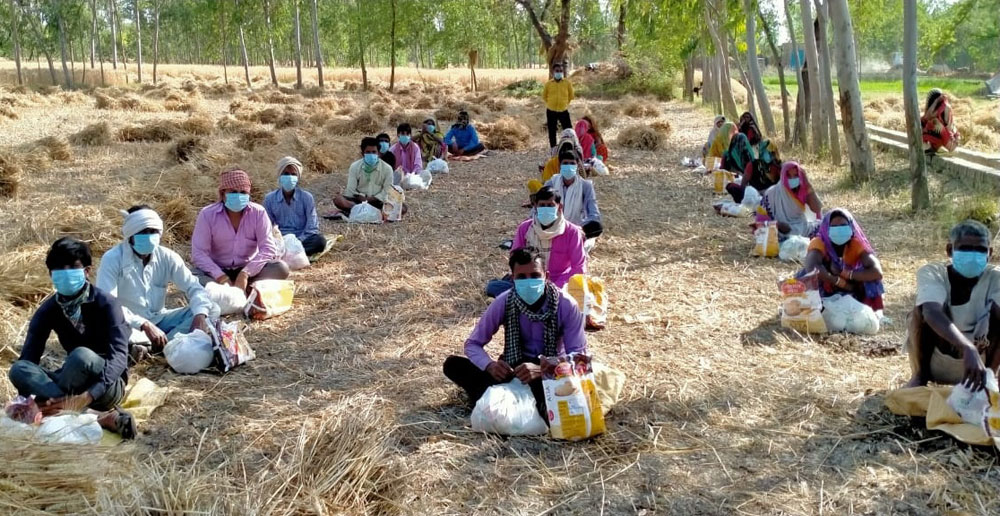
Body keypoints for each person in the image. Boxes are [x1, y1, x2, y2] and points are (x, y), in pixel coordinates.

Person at [8, 237, 136, 439]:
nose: (66, 273)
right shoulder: (48, 310)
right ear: (51, 274)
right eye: (59, 269)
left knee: (81, 356)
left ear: (87, 271)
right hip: (71, 381)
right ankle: (95, 416)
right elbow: (29, 359)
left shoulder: (107, 303)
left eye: (72, 267)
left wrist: (87, 396)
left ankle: (58, 407)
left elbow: (119, 355)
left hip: (106, 386)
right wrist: (25, 398)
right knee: (19, 368)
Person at [444, 247, 587, 416]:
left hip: (551, 372)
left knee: (559, 392)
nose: (529, 282)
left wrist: (542, 370)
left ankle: (496, 400)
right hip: (513, 369)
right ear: (512, 279)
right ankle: (510, 401)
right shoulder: (504, 301)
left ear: (546, 277)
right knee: (453, 365)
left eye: (534, 276)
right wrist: (490, 366)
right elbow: (473, 344)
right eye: (521, 277)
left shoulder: (566, 305)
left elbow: (579, 359)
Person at [97, 206, 217, 361]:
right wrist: (144, 324)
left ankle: (160, 346)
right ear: (130, 234)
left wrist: (200, 316)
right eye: (142, 231)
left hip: (160, 320)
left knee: (212, 309)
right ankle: (158, 346)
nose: (148, 236)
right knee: (105, 327)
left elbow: (194, 287)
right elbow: (108, 304)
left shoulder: (167, 257)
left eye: (153, 232)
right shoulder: (112, 259)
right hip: (129, 323)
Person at [905, 220, 1000, 391]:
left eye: (980, 249)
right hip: (938, 358)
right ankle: (920, 375)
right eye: (965, 248)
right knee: (921, 310)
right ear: (950, 250)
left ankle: (989, 380)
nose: (973, 255)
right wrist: (966, 347)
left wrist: (973, 349)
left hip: (981, 362)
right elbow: (931, 311)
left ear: (990, 253)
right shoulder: (933, 272)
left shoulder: (995, 277)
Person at [191, 169, 290, 290]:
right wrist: (221, 277)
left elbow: (268, 249)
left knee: (280, 268)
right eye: (233, 192)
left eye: (243, 192)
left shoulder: (258, 213)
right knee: (192, 276)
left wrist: (245, 273)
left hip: (249, 269)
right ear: (223, 193)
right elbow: (199, 254)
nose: (238, 196)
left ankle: (242, 289)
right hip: (217, 271)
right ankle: (237, 290)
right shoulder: (207, 214)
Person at [487, 186, 587, 298]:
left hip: (559, 283)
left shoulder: (572, 232)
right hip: (531, 280)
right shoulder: (525, 228)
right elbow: (514, 256)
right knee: (492, 287)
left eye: (550, 205)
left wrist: (556, 287)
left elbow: (579, 268)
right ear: (535, 206)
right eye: (542, 205)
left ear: (560, 207)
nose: (546, 208)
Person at [800, 209, 885, 312]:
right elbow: (812, 268)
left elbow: (877, 272)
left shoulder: (855, 244)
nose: (839, 230)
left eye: (843, 225)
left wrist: (845, 274)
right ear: (827, 228)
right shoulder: (819, 242)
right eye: (834, 227)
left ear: (851, 227)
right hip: (826, 285)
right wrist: (839, 282)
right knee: (813, 276)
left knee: (872, 281)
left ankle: (868, 308)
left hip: (849, 285)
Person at [263, 156, 328, 256]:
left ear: (298, 178)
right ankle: (292, 253)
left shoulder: (307, 197)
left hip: (302, 239)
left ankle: (286, 254)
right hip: (280, 240)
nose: (289, 177)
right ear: (279, 176)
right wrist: (280, 241)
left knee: (320, 241)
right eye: (286, 174)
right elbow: (268, 226)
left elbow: (312, 227)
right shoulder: (270, 199)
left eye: (293, 174)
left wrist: (297, 241)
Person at [725, 112, 782, 204]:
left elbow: (743, 186)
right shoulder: (781, 165)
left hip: (761, 195)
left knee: (733, 187)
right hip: (772, 197)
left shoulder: (753, 164)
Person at [544, 150, 602, 240]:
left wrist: (582, 227)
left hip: (576, 228)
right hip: (553, 227)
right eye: (565, 163)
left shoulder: (585, 186)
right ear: (560, 166)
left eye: (572, 163)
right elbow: (539, 208)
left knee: (596, 227)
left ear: (577, 166)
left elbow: (594, 214)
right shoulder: (552, 183)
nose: (568, 166)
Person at [333, 136, 399, 214]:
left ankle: (359, 211)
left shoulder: (387, 169)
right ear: (362, 154)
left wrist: (372, 199)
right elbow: (351, 190)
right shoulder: (355, 167)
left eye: (374, 152)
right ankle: (372, 212)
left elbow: (387, 191)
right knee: (338, 199)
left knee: (402, 207)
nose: (371, 155)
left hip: (378, 202)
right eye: (368, 152)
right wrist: (361, 197)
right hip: (358, 201)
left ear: (379, 153)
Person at [758, 161, 823, 238]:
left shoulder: (802, 191)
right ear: (782, 176)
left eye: (796, 176)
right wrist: (777, 224)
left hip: (801, 228)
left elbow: (817, 208)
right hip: (780, 230)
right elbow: (760, 219)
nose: (792, 179)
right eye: (788, 176)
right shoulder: (772, 193)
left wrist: (807, 183)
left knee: (823, 226)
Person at [528, 132, 584, 196]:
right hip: (552, 191)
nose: (566, 150)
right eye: (564, 148)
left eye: (568, 148)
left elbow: (582, 179)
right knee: (532, 183)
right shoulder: (552, 162)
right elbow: (547, 182)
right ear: (559, 149)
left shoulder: (576, 162)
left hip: (572, 191)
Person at [543, 62, 575, 149]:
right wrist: (551, 104)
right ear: (553, 72)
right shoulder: (548, 84)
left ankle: (569, 147)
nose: (559, 73)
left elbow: (571, 96)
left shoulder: (567, 83)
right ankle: (553, 149)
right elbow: (544, 96)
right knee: (552, 131)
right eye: (557, 71)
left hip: (563, 111)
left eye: (561, 71)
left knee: (568, 130)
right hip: (551, 111)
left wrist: (564, 104)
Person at [921, 88, 959, 154]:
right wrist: (936, 101)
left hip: (949, 141)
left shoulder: (946, 107)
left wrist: (939, 126)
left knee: (933, 123)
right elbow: (926, 117)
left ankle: (939, 148)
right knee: (922, 122)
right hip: (942, 138)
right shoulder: (936, 108)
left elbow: (949, 129)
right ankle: (934, 147)